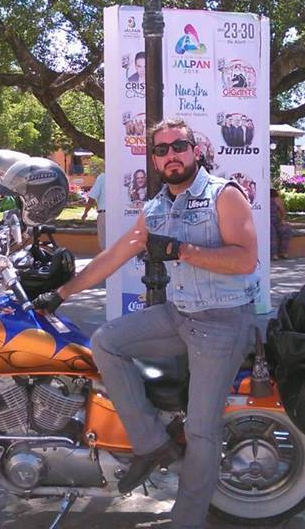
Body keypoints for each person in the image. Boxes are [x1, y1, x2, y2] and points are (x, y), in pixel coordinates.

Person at [32, 117, 259, 529]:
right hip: (180, 314)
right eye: (162, 150)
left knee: (202, 428)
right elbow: (115, 255)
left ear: (195, 151)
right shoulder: (156, 208)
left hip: (222, 321)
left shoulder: (223, 195)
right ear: (154, 160)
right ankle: (152, 443)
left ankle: (187, 521)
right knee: (106, 342)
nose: (172, 155)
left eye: (179, 146)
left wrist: (181, 250)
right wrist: (62, 293)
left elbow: (245, 260)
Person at [82, 172, 107, 250]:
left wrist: (85, 212)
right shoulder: (120, 176)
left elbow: (92, 197)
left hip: (104, 214)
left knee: (104, 243)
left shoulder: (102, 177)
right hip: (118, 214)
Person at [270, 187, 290, 260]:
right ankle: (273, 254)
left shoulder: (277, 199)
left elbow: (283, 211)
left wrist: (282, 220)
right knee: (272, 232)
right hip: (266, 221)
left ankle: (283, 252)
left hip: (275, 220)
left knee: (286, 230)